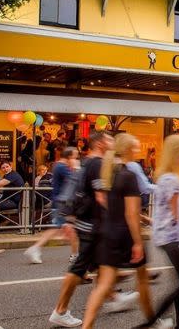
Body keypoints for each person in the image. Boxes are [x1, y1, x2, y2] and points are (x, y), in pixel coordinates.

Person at [49, 131, 130, 328]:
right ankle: (60, 310)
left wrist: (68, 217)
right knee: (79, 267)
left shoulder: (87, 162)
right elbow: (102, 197)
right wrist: (120, 218)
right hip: (92, 224)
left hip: (87, 222)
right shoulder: (98, 163)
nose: (113, 142)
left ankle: (113, 297)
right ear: (101, 143)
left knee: (100, 264)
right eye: (110, 139)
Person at [81, 133, 154, 329]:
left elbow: (105, 202)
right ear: (129, 150)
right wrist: (138, 242)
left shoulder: (108, 172)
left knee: (103, 285)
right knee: (142, 280)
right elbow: (132, 212)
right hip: (125, 234)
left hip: (107, 231)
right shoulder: (128, 175)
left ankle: (86, 326)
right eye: (136, 147)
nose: (138, 151)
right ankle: (152, 321)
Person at [140, 134, 179, 329]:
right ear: (177, 152)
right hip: (174, 237)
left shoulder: (168, 176)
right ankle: (153, 321)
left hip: (166, 235)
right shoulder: (172, 179)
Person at [24, 147, 80, 264]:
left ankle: (75, 255)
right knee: (61, 228)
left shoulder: (58, 166)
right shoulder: (62, 167)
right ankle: (74, 255)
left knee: (65, 228)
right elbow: (75, 180)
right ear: (69, 157)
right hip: (62, 204)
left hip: (62, 203)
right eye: (75, 157)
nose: (76, 159)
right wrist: (76, 168)